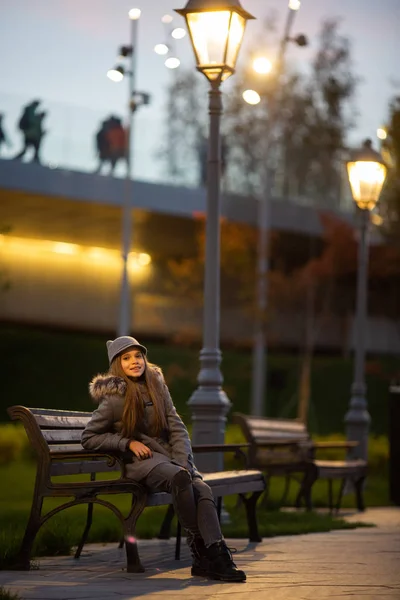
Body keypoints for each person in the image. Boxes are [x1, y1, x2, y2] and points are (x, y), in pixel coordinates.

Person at [81, 335, 246, 582]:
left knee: (201, 487)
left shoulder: (158, 387)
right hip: (140, 464)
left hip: (170, 459)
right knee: (180, 477)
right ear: (117, 364)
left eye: (138, 356)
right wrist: (127, 442)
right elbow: (89, 437)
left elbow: (177, 426)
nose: (134, 361)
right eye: (126, 358)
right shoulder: (114, 398)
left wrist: (183, 460)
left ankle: (214, 557)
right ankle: (206, 551)